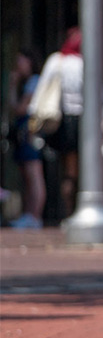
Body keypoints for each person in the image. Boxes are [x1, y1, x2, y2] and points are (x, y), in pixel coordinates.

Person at [36, 28, 85, 216]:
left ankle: (68, 211)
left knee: (68, 169)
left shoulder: (57, 60)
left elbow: (42, 89)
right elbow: (100, 95)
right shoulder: (86, 62)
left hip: (62, 119)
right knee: (78, 169)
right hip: (83, 120)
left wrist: (34, 119)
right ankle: (73, 210)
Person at [8, 49, 46, 228]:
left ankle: (34, 215)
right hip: (26, 130)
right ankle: (30, 214)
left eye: (20, 61)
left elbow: (19, 108)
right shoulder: (30, 82)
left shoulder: (34, 81)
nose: (18, 65)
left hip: (30, 130)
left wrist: (12, 86)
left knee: (33, 173)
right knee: (28, 174)